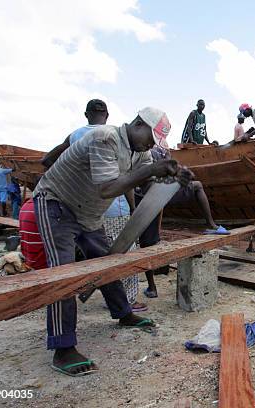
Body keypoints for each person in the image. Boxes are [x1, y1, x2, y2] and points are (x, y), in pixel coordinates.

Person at [33, 107, 192, 376]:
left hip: (89, 212)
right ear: (138, 123)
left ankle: (123, 313)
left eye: (156, 142)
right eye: (150, 138)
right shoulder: (105, 138)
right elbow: (108, 187)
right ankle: (63, 348)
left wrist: (171, 178)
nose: (151, 145)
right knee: (63, 274)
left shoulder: (139, 152)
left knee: (107, 263)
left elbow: (138, 184)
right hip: (56, 204)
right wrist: (153, 168)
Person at [138, 145, 225, 299]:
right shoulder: (161, 150)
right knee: (198, 186)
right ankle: (211, 224)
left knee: (147, 244)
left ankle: (152, 288)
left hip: (151, 196)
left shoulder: (145, 152)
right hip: (156, 194)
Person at [103, 195, 147, 312]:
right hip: (118, 213)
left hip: (101, 213)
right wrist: (133, 207)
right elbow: (128, 189)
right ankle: (128, 300)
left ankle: (112, 299)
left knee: (110, 258)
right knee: (129, 258)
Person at [42, 99, 110, 169]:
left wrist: (64, 173)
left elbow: (46, 160)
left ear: (86, 115)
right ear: (107, 115)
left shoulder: (74, 135)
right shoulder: (115, 134)